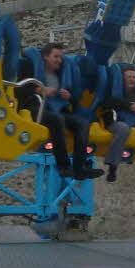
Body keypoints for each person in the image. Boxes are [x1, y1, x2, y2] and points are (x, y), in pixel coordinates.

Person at [37, 43, 101, 180]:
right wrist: (42, 90)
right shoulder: (33, 68)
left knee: (82, 124)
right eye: (55, 57)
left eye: (60, 57)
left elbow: (73, 99)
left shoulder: (61, 74)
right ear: (45, 57)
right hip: (39, 109)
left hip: (59, 110)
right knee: (57, 119)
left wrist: (69, 96)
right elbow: (22, 89)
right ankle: (63, 166)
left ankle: (80, 168)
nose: (59, 60)